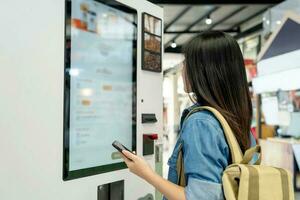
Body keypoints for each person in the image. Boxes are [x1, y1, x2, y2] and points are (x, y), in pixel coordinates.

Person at [121, 31, 256, 200]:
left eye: (185, 63)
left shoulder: (202, 122)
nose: (182, 69)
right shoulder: (238, 119)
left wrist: (146, 173)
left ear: (204, 71)